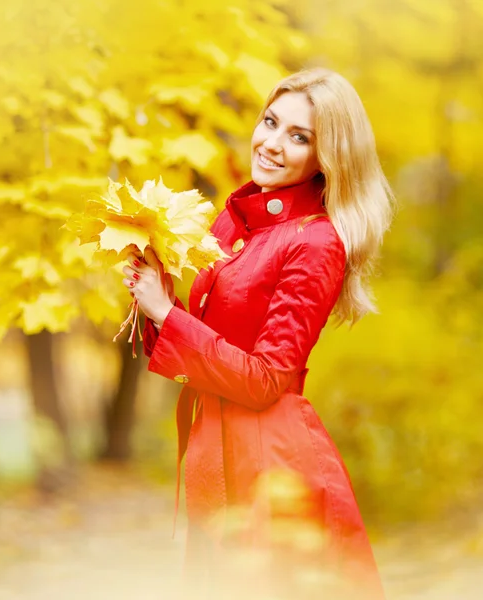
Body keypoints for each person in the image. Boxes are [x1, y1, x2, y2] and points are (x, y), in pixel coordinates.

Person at [122, 68, 393, 598]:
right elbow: (198, 349)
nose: (271, 143)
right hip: (215, 449)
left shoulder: (316, 243)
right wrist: (155, 300)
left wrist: (166, 315)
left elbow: (266, 378)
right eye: (271, 122)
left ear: (326, 158)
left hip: (269, 460)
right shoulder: (234, 221)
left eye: (299, 137)